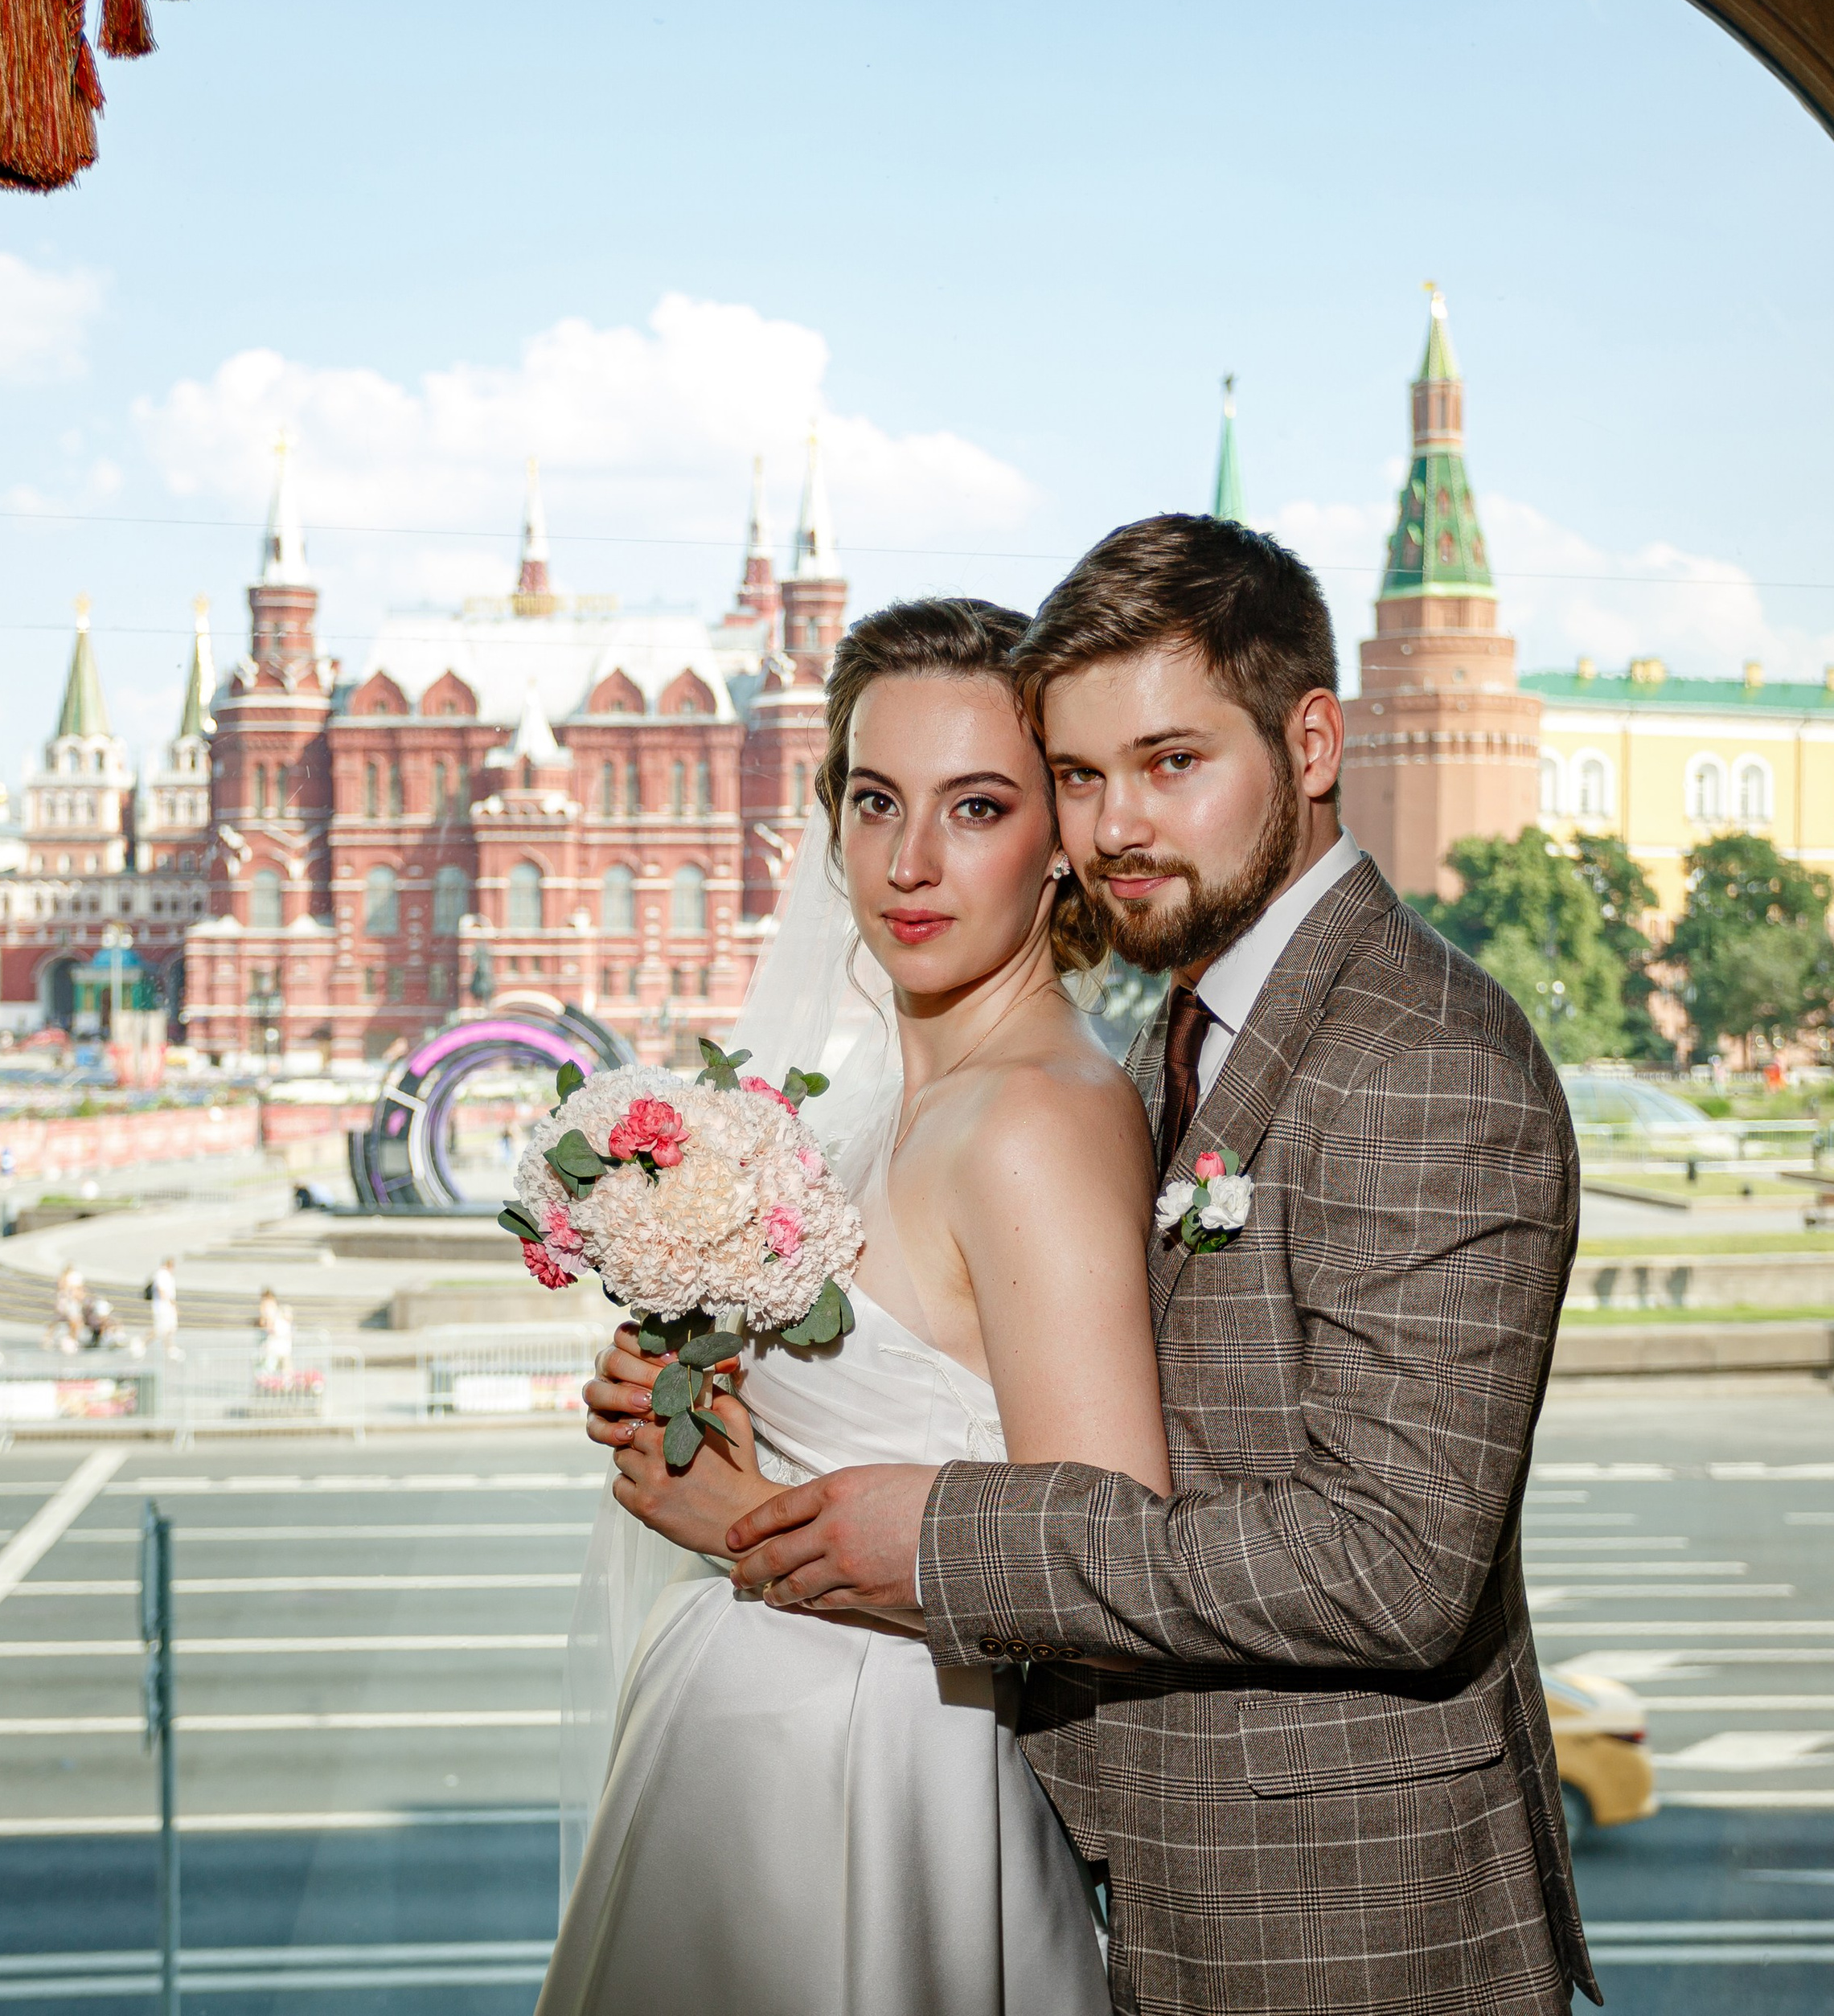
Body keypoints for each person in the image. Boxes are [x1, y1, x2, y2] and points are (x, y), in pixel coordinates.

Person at [708, 516, 1595, 2014]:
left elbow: (1393, 1569)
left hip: (1349, 1925)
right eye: (1082, 775)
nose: (1117, 825)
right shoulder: (1186, 1025)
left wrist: (940, 1544)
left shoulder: (1422, 1063)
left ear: (1311, 742)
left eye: (1174, 763)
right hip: (1175, 1879)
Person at [542, 598, 1168, 2016]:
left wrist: (744, 1529)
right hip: (755, 1762)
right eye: (877, 800)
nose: (911, 862)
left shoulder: (1034, 1122)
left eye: (979, 806)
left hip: (879, 1776)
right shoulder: (885, 1099)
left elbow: (1114, 1570)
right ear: (827, 815)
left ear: (1061, 841)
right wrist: (691, 1386)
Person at [143, 1256, 181, 1361]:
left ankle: (170, 1349)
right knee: (160, 1329)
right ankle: (142, 1343)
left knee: (170, 1329)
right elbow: (162, 1291)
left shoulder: (166, 1275)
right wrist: (171, 1304)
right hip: (163, 1307)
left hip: (166, 1306)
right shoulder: (162, 1274)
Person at [256, 1287, 293, 1374]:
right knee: (270, 1367)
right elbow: (264, 1323)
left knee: (285, 1368)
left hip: (282, 1345)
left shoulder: (279, 1312)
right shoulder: (265, 1310)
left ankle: (284, 1383)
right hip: (272, 1346)